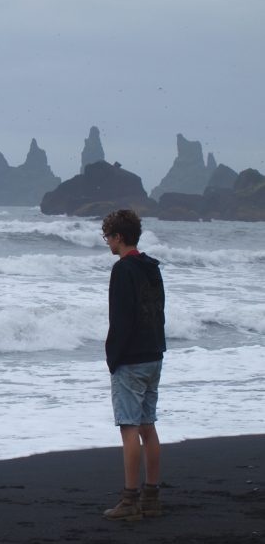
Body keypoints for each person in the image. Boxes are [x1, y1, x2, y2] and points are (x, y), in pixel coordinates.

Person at [101, 210, 166, 521]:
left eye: (108, 236)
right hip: (154, 352)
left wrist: (113, 355)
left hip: (132, 358)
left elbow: (121, 319)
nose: (107, 242)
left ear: (119, 237)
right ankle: (151, 495)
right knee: (147, 425)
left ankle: (129, 500)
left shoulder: (122, 270)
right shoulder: (152, 267)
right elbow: (158, 311)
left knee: (129, 427)